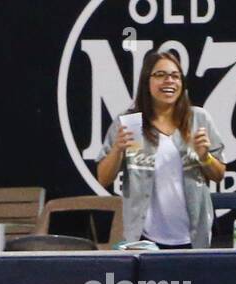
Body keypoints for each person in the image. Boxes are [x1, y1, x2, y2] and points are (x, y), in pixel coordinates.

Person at [96, 50, 226, 249]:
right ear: (146, 82)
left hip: (193, 237)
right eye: (160, 75)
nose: (169, 81)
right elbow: (104, 178)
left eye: (175, 76)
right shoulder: (132, 122)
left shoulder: (198, 119)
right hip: (145, 239)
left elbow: (218, 175)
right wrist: (117, 150)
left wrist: (205, 157)